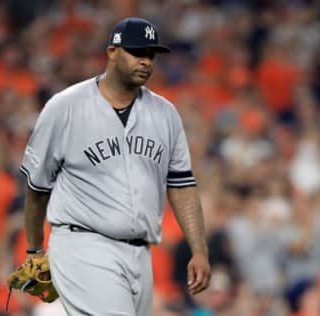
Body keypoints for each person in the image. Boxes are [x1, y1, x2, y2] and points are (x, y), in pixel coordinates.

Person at [18, 17, 211, 315]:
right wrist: (34, 250)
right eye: (137, 52)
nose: (146, 61)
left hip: (140, 253)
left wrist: (198, 249)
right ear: (112, 51)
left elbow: (182, 184)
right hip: (84, 244)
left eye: (151, 55)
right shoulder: (65, 107)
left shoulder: (165, 114)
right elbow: (37, 187)